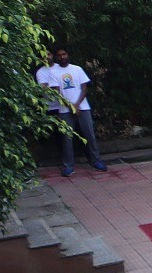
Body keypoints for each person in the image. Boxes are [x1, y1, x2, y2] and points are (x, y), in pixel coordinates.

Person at [44, 45, 106, 176]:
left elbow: (84, 87)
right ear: (56, 57)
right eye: (59, 55)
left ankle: (96, 161)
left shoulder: (77, 69)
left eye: (64, 54)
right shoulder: (53, 73)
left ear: (68, 55)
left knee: (89, 135)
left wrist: (77, 105)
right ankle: (68, 166)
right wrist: (71, 107)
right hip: (64, 110)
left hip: (83, 108)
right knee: (67, 138)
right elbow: (57, 93)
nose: (62, 57)